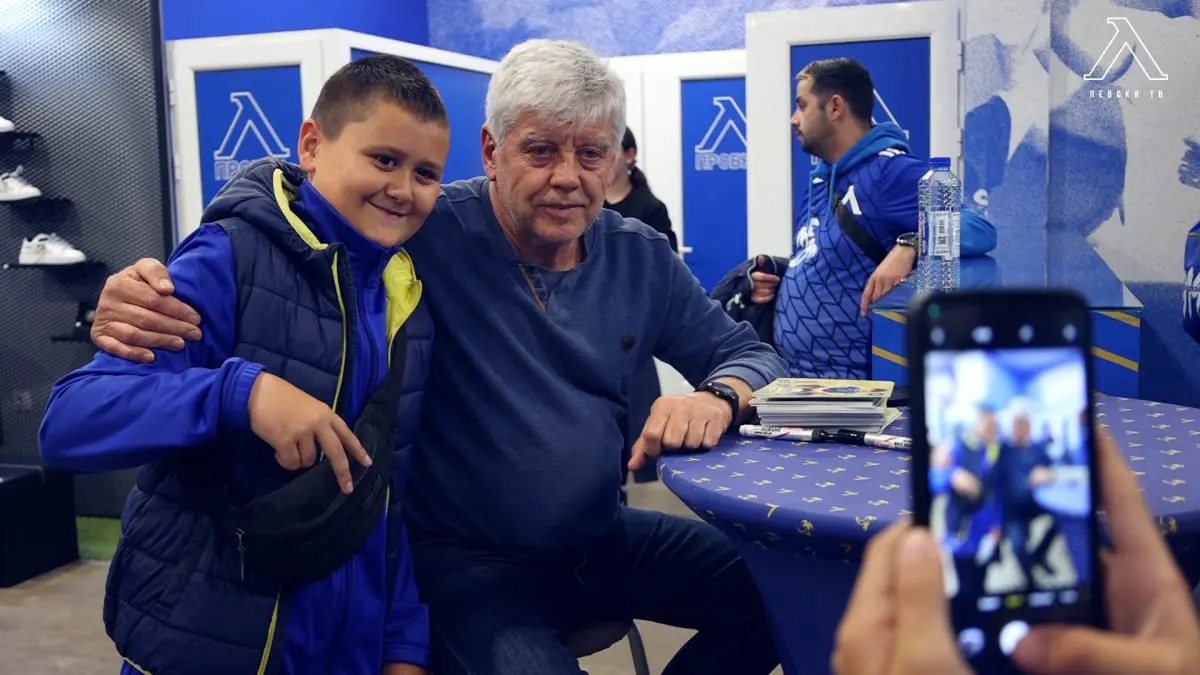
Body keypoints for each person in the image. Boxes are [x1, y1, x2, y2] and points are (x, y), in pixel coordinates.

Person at [80, 39, 787, 675]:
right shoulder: (419, 228)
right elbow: (308, 203)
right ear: (491, 151)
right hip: (468, 565)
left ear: (618, 158)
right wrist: (150, 284)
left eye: (592, 153)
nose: (569, 177)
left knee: (789, 594)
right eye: (541, 151)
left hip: (599, 537)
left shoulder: (641, 258)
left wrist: (721, 393)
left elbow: (752, 354)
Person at [36, 55, 447, 675]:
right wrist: (240, 395)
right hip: (205, 645)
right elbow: (70, 422)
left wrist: (403, 645)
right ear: (312, 146)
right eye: (384, 160)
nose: (402, 189)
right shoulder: (228, 257)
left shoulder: (406, 303)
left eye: (426, 173)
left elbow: (384, 497)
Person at [831, 427, 1200, 675]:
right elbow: (936, 477)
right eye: (986, 424)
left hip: (998, 525)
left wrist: (1003, 518)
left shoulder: (1007, 450)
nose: (992, 429)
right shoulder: (958, 447)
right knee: (961, 590)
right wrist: (950, 475)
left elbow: (1006, 488)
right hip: (960, 535)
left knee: (1014, 566)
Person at [732, 58, 998, 379]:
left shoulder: (889, 171)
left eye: (802, 105)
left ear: (835, 107)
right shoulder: (820, 180)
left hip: (854, 389)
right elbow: (829, 261)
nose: (793, 119)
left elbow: (981, 229)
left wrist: (911, 245)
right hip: (798, 380)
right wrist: (778, 277)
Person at [604, 127, 677, 486]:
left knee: (633, 424)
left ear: (629, 155)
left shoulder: (650, 209)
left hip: (630, 335)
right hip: (590, 332)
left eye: (607, 149)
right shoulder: (585, 206)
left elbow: (665, 274)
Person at [605, 127, 678, 252]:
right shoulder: (589, 203)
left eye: (611, 151)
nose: (604, 160)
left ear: (630, 155)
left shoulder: (652, 208)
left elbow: (666, 258)